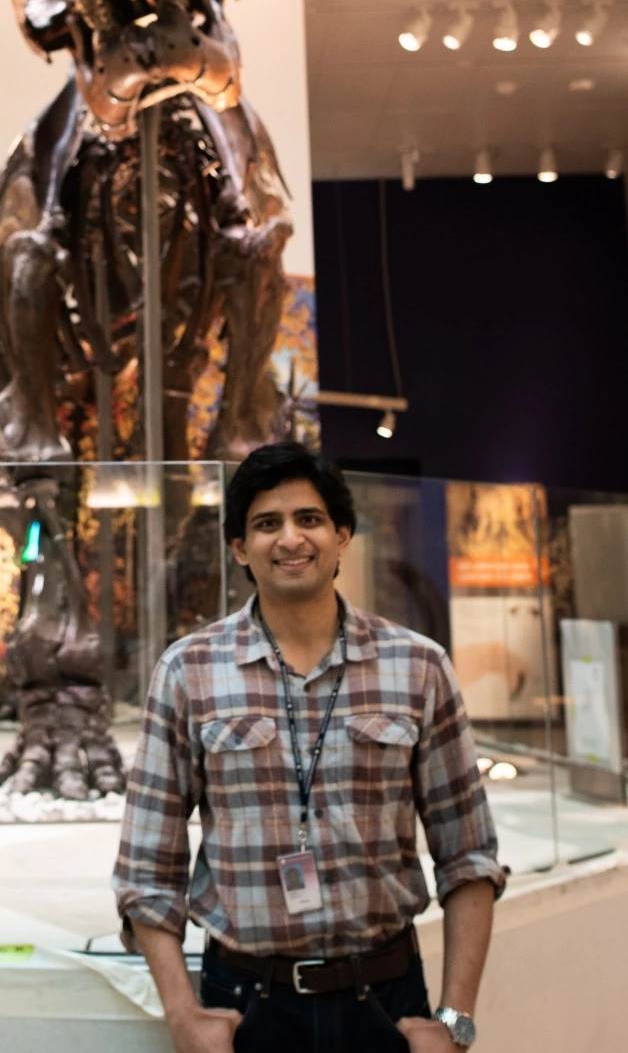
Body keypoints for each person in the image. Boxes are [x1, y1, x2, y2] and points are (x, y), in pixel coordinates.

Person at [113, 443, 504, 1053]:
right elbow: (146, 873)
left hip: (387, 998)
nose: (290, 538)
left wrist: (455, 1021)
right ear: (240, 548)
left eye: (310, 519)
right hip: (245, 1003)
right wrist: (182, 1013)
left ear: (343, 535)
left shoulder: (418, 666)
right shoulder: (188, 671)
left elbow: (469, 856)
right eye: (267, 524)